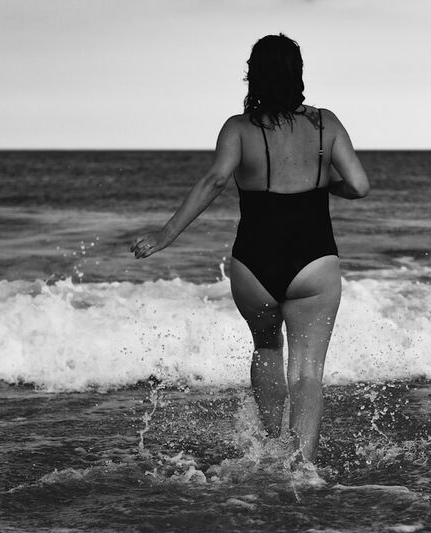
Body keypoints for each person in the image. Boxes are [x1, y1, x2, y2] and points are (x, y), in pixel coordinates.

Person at [130, 34, 369, 462]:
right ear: (298, 74)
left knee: (267, 348)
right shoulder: (326, 124)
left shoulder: (237, 128)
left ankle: (271, 450)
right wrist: (323, 184)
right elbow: (360, 185)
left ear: (253, 75)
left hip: (253, 265)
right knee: (307, 373)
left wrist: (166, 235)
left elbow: (215, 181)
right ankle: (301, 467)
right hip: (313, 262)